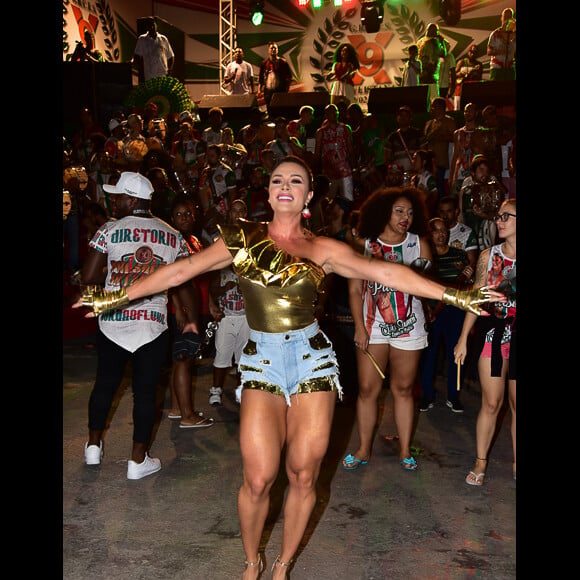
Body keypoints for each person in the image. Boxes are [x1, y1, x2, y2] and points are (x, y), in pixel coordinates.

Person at [75, 156, 502, 577]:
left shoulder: (324, 249)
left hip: (312, 359)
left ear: (308, 196)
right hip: (261, 362)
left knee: (302, 475)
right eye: (278, 178)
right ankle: (251, 562)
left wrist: (456, 295)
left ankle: (282, 565)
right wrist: (116, 297)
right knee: (258, 478)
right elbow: (181, 269)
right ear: (269, 192)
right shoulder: (241, 239)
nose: (285, 185)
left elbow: (386, 272)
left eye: (295, 181)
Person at [79, 171, 194, 479]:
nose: (112, 201)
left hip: (113, 322)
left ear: (132, 200)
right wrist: (188, 316)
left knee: (105, 383)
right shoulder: (173, 235)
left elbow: (89, 277)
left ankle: (93, 447)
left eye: (117, 197)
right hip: (152, 325)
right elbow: (184, 281)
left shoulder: (109, 229)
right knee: (146, 392)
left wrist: (113, 270)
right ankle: (137, 460)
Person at [343, 187, 432, 474]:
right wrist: (359, 327)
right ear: (383, 212)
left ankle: (405, 450)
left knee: (403, 389)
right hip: (373, 327)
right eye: (399, 211)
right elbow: (355, 290)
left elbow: (428, 286)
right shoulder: (364, 244)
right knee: (368, 389)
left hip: (409, 326)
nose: (406, 217)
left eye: (410, 212)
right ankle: (363, 448)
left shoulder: (418, 243)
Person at [454, 199, 516, 485]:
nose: (499, 220)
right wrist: (464, 338)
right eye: (498, 215)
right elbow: (476, 299)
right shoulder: (488, 256)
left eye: (506, 216)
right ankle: (480, 463)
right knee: (492, 402)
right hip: (493, 333)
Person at [166, 194, 215, 428]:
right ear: (171, 218)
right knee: (184, 359)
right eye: (178, 215)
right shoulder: (171, 241)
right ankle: (187, 415)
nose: (184, 218)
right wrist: (178, 308)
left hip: (198, 305)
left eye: (187, 214)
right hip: (183, 310)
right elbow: (169, 277)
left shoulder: (195, 240)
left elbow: (205, 276)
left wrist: (212, 303)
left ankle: (177, 409)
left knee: (180, 360)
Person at [419, 217, 472, 413]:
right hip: (431, 312)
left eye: (444, 231)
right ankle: (427, 395)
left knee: (455, 354)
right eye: (436, 231)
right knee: (429, 354)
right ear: (429, 233)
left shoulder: (459, 255)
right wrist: (426, 308)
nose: (441, 234)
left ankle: (453, 395)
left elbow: (467, 285)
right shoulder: (425, 256)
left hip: (455, 312)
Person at [208, 200, 251, 407]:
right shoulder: (220, 239)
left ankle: (241, 389)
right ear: (229, 215)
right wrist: (215, 299)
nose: (238, 214)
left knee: (244, 356)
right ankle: (215, 390)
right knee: (222, 354)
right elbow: (211, 281)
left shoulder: (252, 239)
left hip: (246, 314)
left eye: (242, 210)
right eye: (234, 211)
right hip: (226, 314)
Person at [314, 103, 355, 201]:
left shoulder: (345, 128)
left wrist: (354, 168)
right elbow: (317, 153)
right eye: (330, 112)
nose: (333, 114)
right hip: (329, 172)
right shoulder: (321, 132)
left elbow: (350, 149)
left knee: (348, 199)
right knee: (329, 200)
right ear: (326, 115)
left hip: (345, 171)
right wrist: (316, 171)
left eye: (334, 112)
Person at [423, 97, 456, 197]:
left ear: (441, 108)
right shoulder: (429, 124)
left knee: (440, 187)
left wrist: (441, 137)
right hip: (429, 161)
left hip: (442, 161)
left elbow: (455, 139)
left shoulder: (449, 121)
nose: (432, 109)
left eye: (434, 106)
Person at [437, 194, 478, 273]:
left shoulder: (467, 232)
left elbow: (471, 263)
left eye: (449, 211)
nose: (444, 215)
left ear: (456, 211)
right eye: (442, 211)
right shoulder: (432, 231)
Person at [384, 105, 425, 174]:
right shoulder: (392, 137)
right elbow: (386, 158)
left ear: (410, 118)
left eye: (406, 116)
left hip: (415, 173)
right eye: (401, 115)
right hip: (398, 175)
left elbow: (424, 154)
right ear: (397, 118)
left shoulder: (418, 134)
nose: (403, 118)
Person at [133, 17, 175, 83]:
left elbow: (171, 56)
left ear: (156, 25)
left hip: (162, 75)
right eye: (149, 25)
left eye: (153, 24)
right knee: (152, 92)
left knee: (162, 93)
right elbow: (138, 56)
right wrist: (141, 72)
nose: (152, 27)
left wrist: (169, 70)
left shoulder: (163, 39)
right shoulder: (142, 39)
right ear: (147, 27)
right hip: (149, 76)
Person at [258, 41, 293, 117]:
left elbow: (289, 77)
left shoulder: (283, 62)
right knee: (270, 112)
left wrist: (287, 89)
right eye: (271, 48)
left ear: (277, 50)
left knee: (281, 111)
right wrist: (259, 90)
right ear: (268, 50)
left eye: (275, 48)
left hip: (280, 92)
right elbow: (260, 78)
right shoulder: (264, 63)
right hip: (268, 92)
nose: (273, 49)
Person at [417, 22, 447, 102]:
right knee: (423, 101)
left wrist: (441, 41)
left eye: (436, 30)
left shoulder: (437, 42)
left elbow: (443, 54)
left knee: (434, 101)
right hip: (423, 77)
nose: (434, 32)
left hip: (432, 77)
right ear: (427, 30)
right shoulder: (421, 42)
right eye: (432, 30)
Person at [487, 8, 516, 81]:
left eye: (509, 17)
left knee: (510, 90)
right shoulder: (495, 34)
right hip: (497, 68)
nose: (506, 19)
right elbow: (488, 51)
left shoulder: (515, 34)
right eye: (505, 17)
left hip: (510, 68)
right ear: (501, 18)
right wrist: (499, 51)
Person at [328, 43, 360, 107]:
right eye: (342, 51)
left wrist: (348, 74)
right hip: (337, 85)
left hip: (347, 85)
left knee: (349, 106)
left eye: (346, 51)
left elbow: (351, 75)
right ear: (340, 53)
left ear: (349, 53)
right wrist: (329, 74)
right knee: (333, 106)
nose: (344, 52)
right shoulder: (336, 64)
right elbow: (333, 72)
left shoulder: (351, 65)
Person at [410, 149, 438, 218]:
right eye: (413, 159)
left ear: (424, 162)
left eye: (416, 159)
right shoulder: (413, 178)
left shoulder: (429, 178)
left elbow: (435, 197)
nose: (413, 162)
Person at [454, 45, 483, 110]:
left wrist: (473, 74)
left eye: (475, 53)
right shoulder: (462, 62)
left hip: (473, 90)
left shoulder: (479, 64)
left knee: (471, 109)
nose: (472, 54)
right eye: (471, 52)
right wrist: (462, 73)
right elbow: (454, 75)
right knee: (458, 109)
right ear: (468, 52)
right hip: (460, 89)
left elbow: (479, 78)